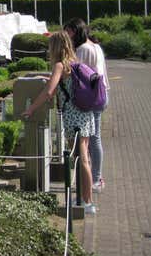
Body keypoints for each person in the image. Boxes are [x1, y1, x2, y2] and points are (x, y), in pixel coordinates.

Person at [21, 31, 96, 214]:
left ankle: (87, 203)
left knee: (81, 159)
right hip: (86, 114)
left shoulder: (59, 65)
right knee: (85, 157)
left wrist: (31, 109)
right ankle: (85, 199)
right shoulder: (75, 64)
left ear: (55, 47)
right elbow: (59, 86)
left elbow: (49, 91)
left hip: (73, 118)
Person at [64, 17, 109, 193]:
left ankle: (95, 179)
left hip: (90, 97)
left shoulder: (82, 49)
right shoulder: (96, 46)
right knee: (94, 138)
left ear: (75, 31)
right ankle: (95, 177)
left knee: (92, 139)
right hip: (101, 94)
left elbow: (75, 73)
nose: (67, 35)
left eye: (68, 31)